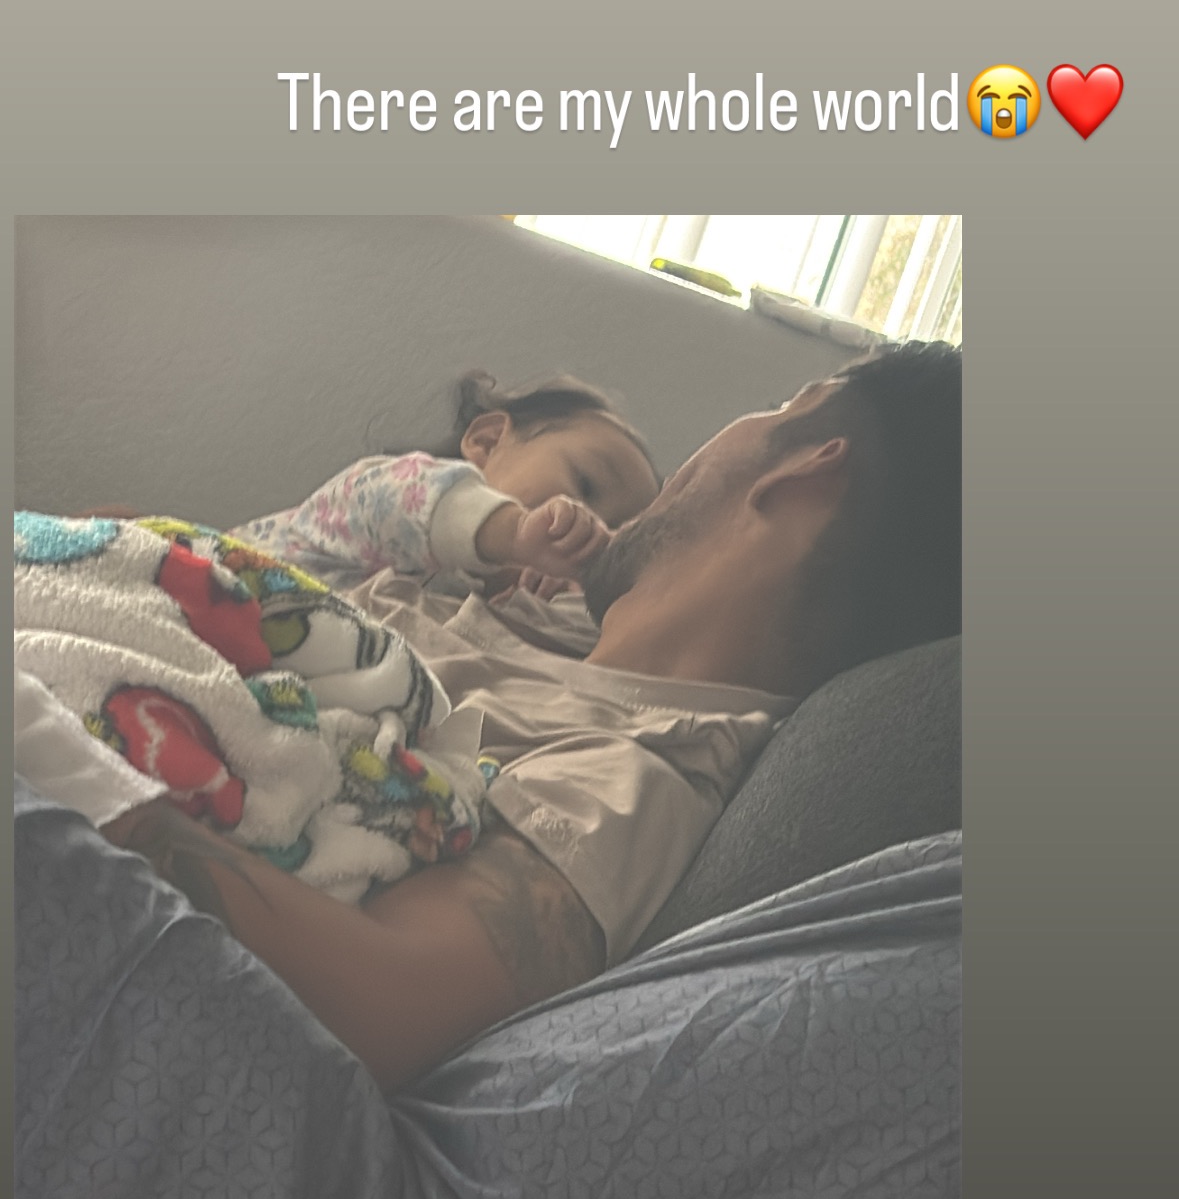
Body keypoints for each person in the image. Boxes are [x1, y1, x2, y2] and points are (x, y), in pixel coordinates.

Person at [106, 342, 962, 1092]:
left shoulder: (634, 776)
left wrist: (81, 768)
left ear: (804, 471)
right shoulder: (512, 603)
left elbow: (385, 1000)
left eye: (783, 404)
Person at [230, 369, 661, 596]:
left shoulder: (486, 610)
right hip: (221, 595)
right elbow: (402, 499)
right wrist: (515, 532)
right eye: (585, 485)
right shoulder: (394, 492)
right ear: (488, 440)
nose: (593, 527)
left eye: (616, 536)